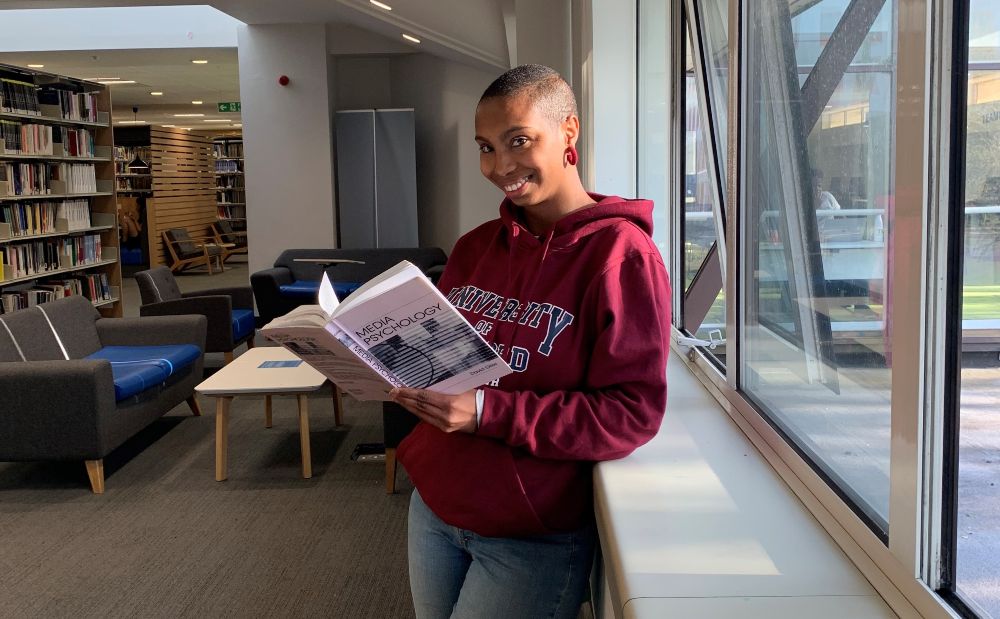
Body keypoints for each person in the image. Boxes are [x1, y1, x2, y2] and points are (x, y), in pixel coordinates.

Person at [390, 64, 671, 619]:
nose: (499, 166)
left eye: (519, 141)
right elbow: (444, 357)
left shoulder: (622, 256)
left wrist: (486, 411)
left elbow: (630, 413)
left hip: (529, 533)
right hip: (435, 506)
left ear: (568, 132)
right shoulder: (474, 248)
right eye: (486, 148)